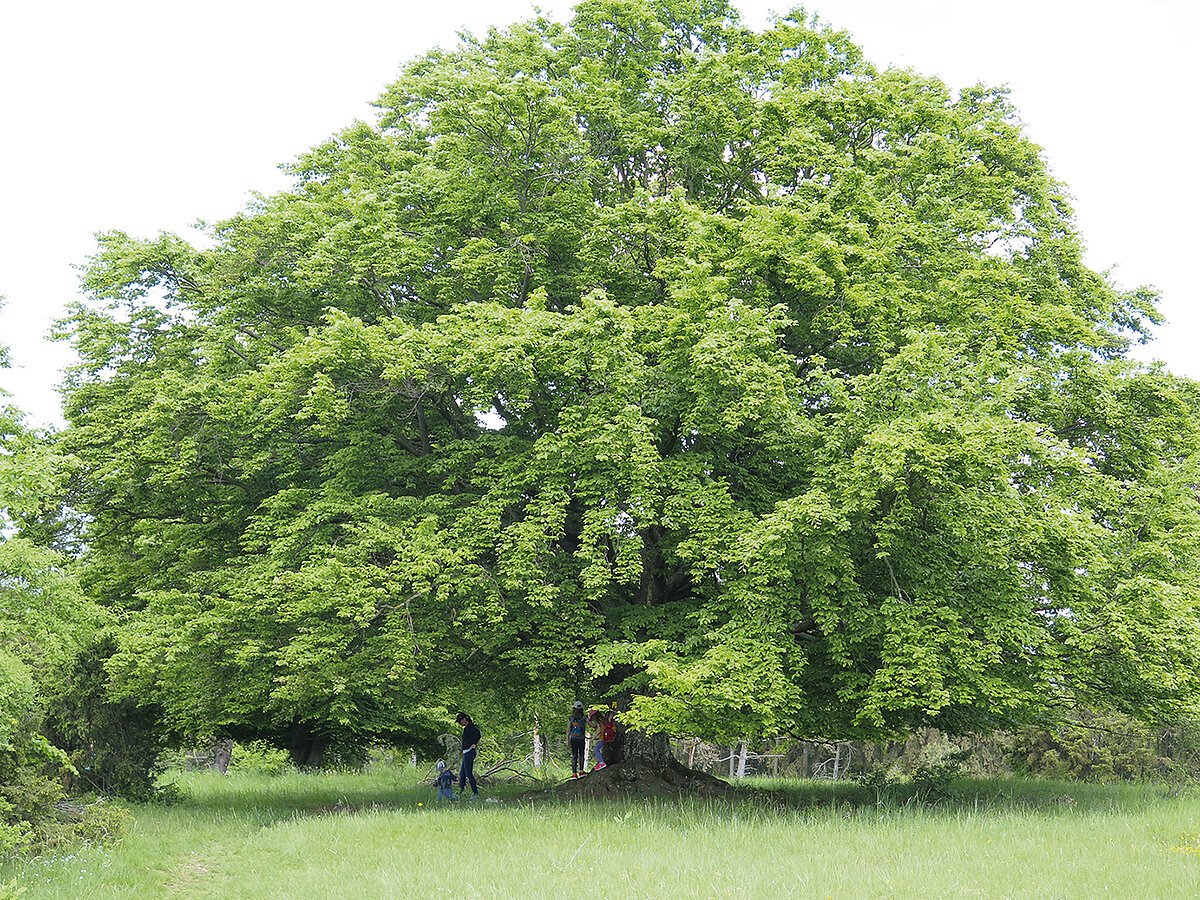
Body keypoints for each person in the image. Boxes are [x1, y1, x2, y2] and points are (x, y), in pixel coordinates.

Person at [456, 712, 481, 798]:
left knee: (468, 773)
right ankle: (461, 791)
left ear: (465, 719)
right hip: (466, 752)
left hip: (470, 752)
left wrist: (474, 743)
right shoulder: (466, 728)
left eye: (460, 721)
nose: (460, 723)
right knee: (462, 773)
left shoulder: (470, 727)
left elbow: (478, 734)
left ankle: (475, 793)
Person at [567, 701, 587, 778]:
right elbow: (591, 724)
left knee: (574, 755)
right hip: (581, 739)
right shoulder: (584, 717)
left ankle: (574, 773)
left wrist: (567, 739)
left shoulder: (571, 718)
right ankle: (581, 771)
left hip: (573, 739)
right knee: (581, 754)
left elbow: (568, 729)